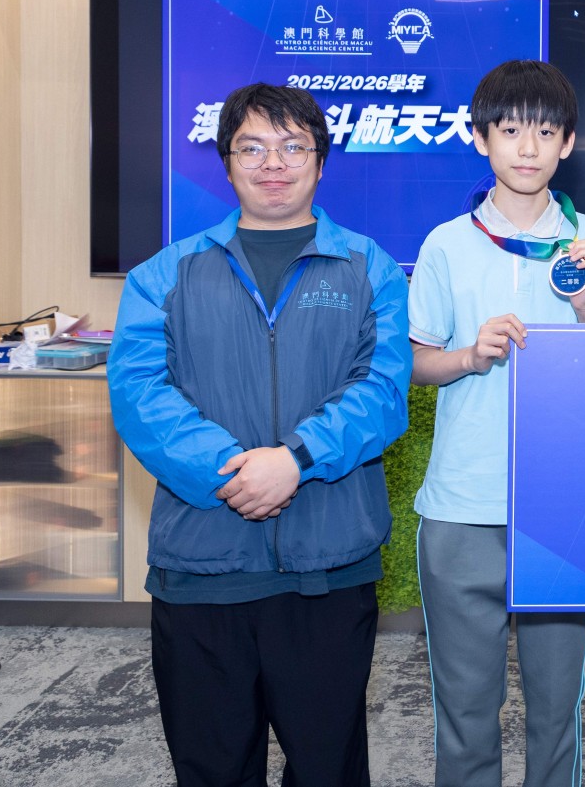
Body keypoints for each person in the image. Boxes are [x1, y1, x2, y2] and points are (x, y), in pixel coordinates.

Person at [109, 83, 412, 787]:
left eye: (292, 147)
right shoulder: (164, 275)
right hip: (202, 568)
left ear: (320, 161)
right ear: (226, 161)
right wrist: (230, 466)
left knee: (328, 769)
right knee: (213, 769)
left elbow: (382, 390)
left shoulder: (369, 267)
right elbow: (139, 395)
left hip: (328, 569)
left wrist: (297, 460)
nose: (273, 163)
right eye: (252, 147)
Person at [407, 59, 585, 787]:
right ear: (480, 139)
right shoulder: (446, 243)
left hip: (563, 507)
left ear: (568, 143)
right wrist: (470, 355)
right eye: (509, 130)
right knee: (465, 710)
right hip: (463, 507)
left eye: (545, 131)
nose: (527, 147)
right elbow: (415, 361)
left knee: (557, 711)